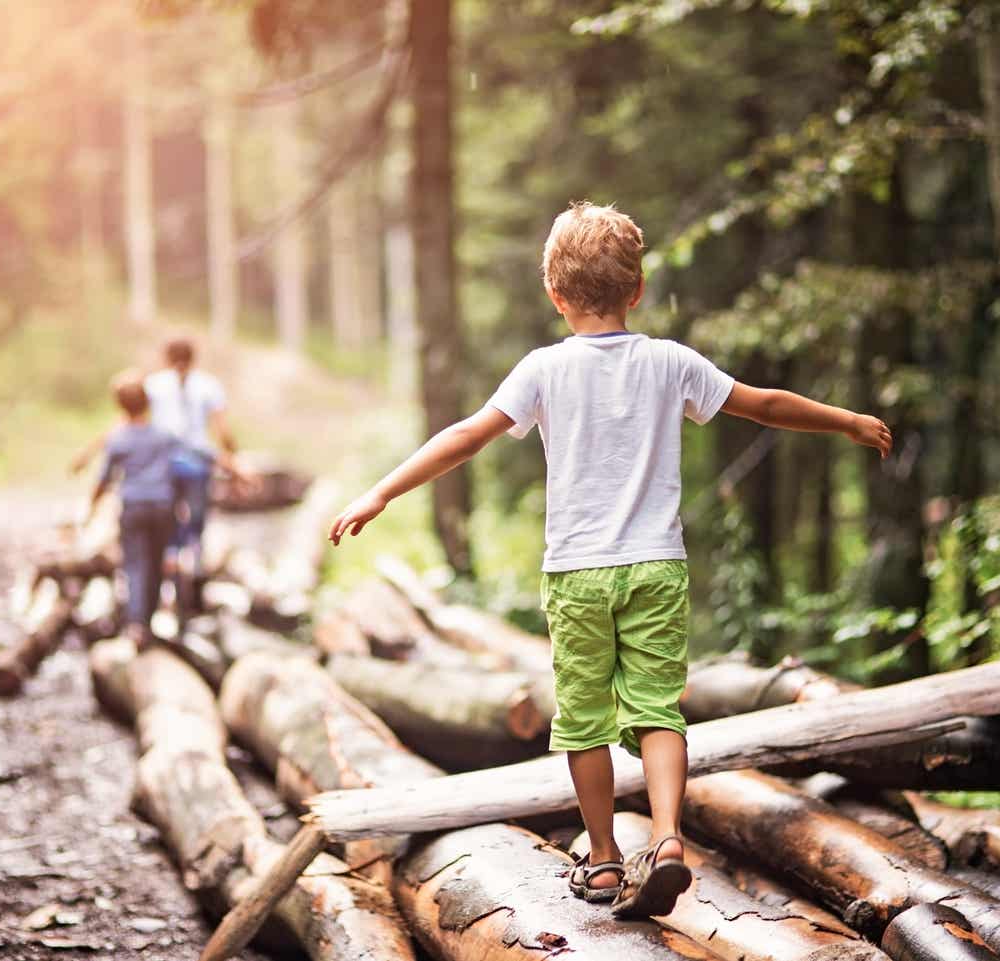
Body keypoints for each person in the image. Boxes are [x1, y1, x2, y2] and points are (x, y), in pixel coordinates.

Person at [327, 201, 892, 919]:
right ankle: (666, 838)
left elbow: (466, 436)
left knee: (586, 720)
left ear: (555, 296)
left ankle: (600, 858)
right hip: (656, 565)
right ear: (638, 289)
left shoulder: (543, 370)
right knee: (657, 711)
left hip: (577, 573)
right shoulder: (668, 361)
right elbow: (765, 404)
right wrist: (844, 419)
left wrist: (380, 491)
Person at [88, 371, 183, 648]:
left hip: (134, 506)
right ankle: (149, 621)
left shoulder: (117, 439)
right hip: (163, 506)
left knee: (135, 565)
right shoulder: (163, 435)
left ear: (120, 406)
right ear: (148, 403)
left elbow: (103, 479)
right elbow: (191, 458)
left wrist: (91, 510)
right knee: (155, 564)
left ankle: (137, 625)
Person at [142, 337, 244, 582]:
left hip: (163, 463)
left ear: (165, 357)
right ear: (193, 358)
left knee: (168, 515)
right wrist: (231, 457)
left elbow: (140, 423)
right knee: (197, 516)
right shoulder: (209, 385)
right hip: (198, 462)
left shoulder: (153, 385)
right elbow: (223, 430)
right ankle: (195, 560)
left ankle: (171, 557)